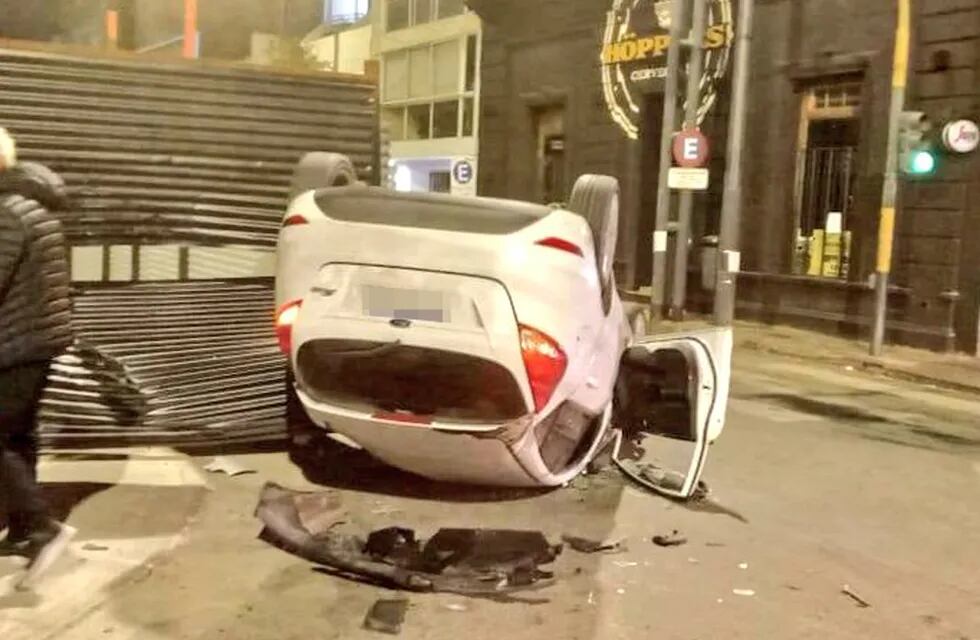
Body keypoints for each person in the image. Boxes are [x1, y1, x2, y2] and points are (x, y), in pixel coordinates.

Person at [0, 127, 77, 590]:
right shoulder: (35, 204)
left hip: (13, 344)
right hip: (35, 341)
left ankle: (41, 525)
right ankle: (24, 529)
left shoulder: (7, 212)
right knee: (20, 434)